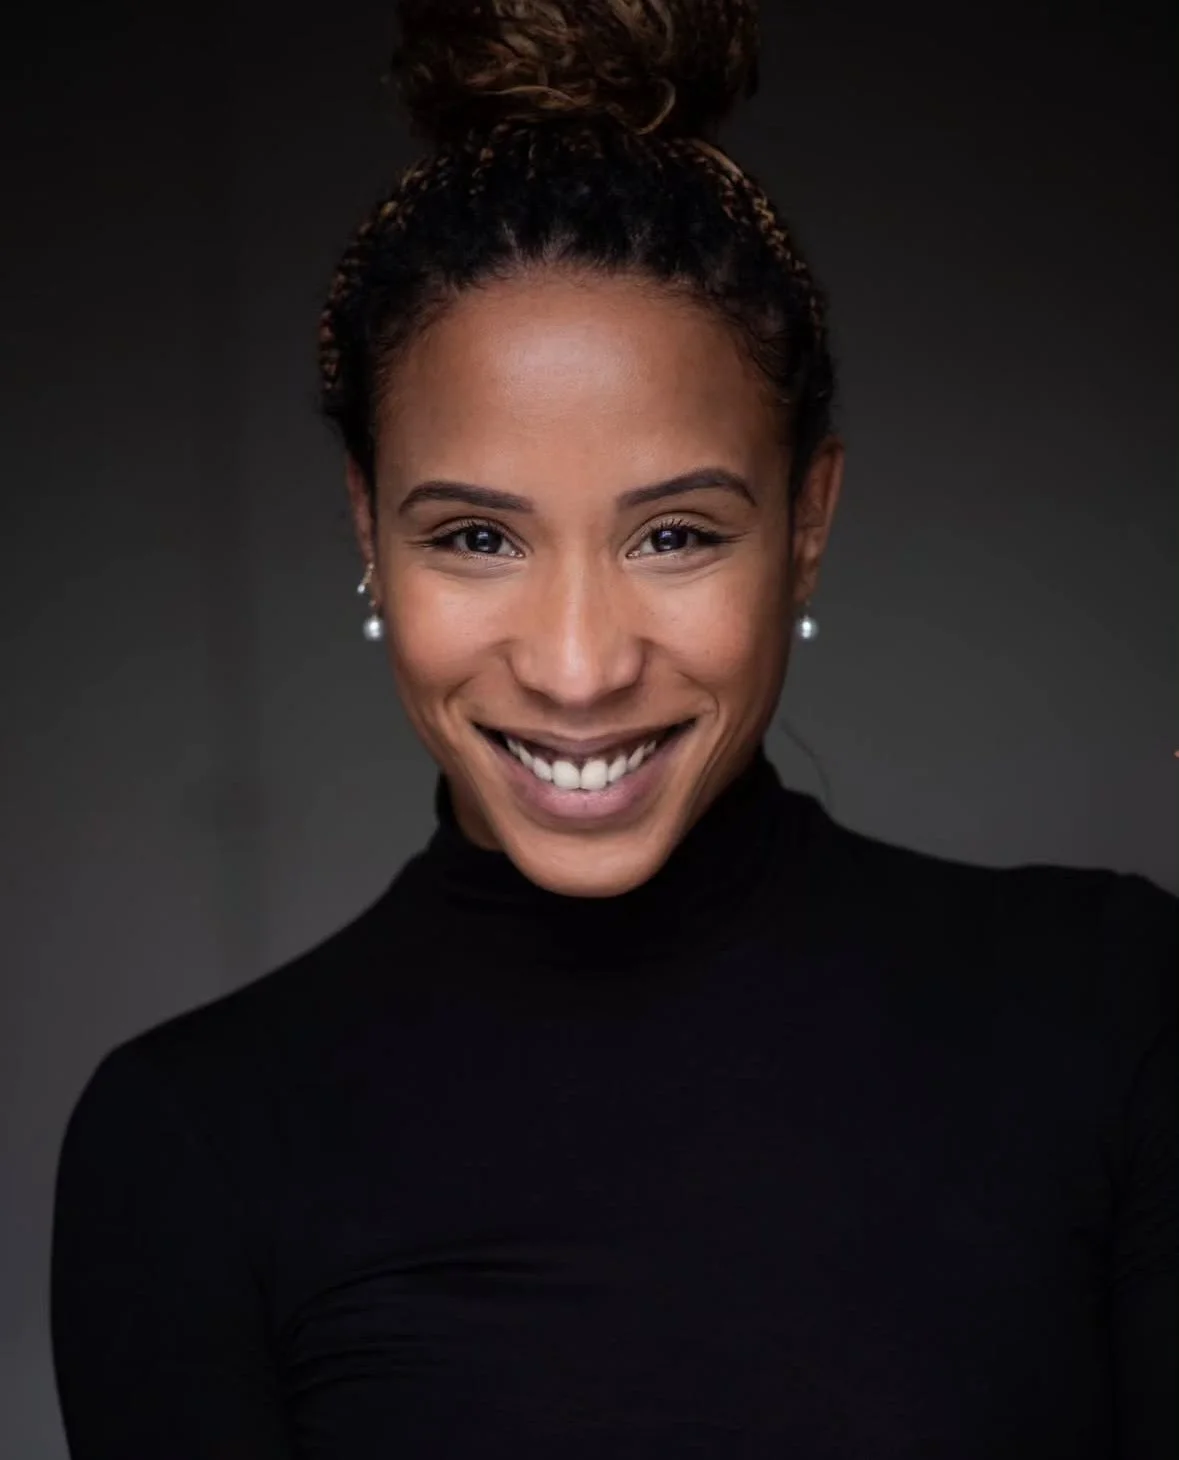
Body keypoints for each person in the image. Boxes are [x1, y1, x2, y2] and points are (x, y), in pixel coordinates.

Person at [50, 1, 1176, 1456]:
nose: (578, 669)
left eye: (673, 536)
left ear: (808, 524)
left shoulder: (1113, 1019)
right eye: (473, 536)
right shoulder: (192, 1147)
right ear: (366, 533)